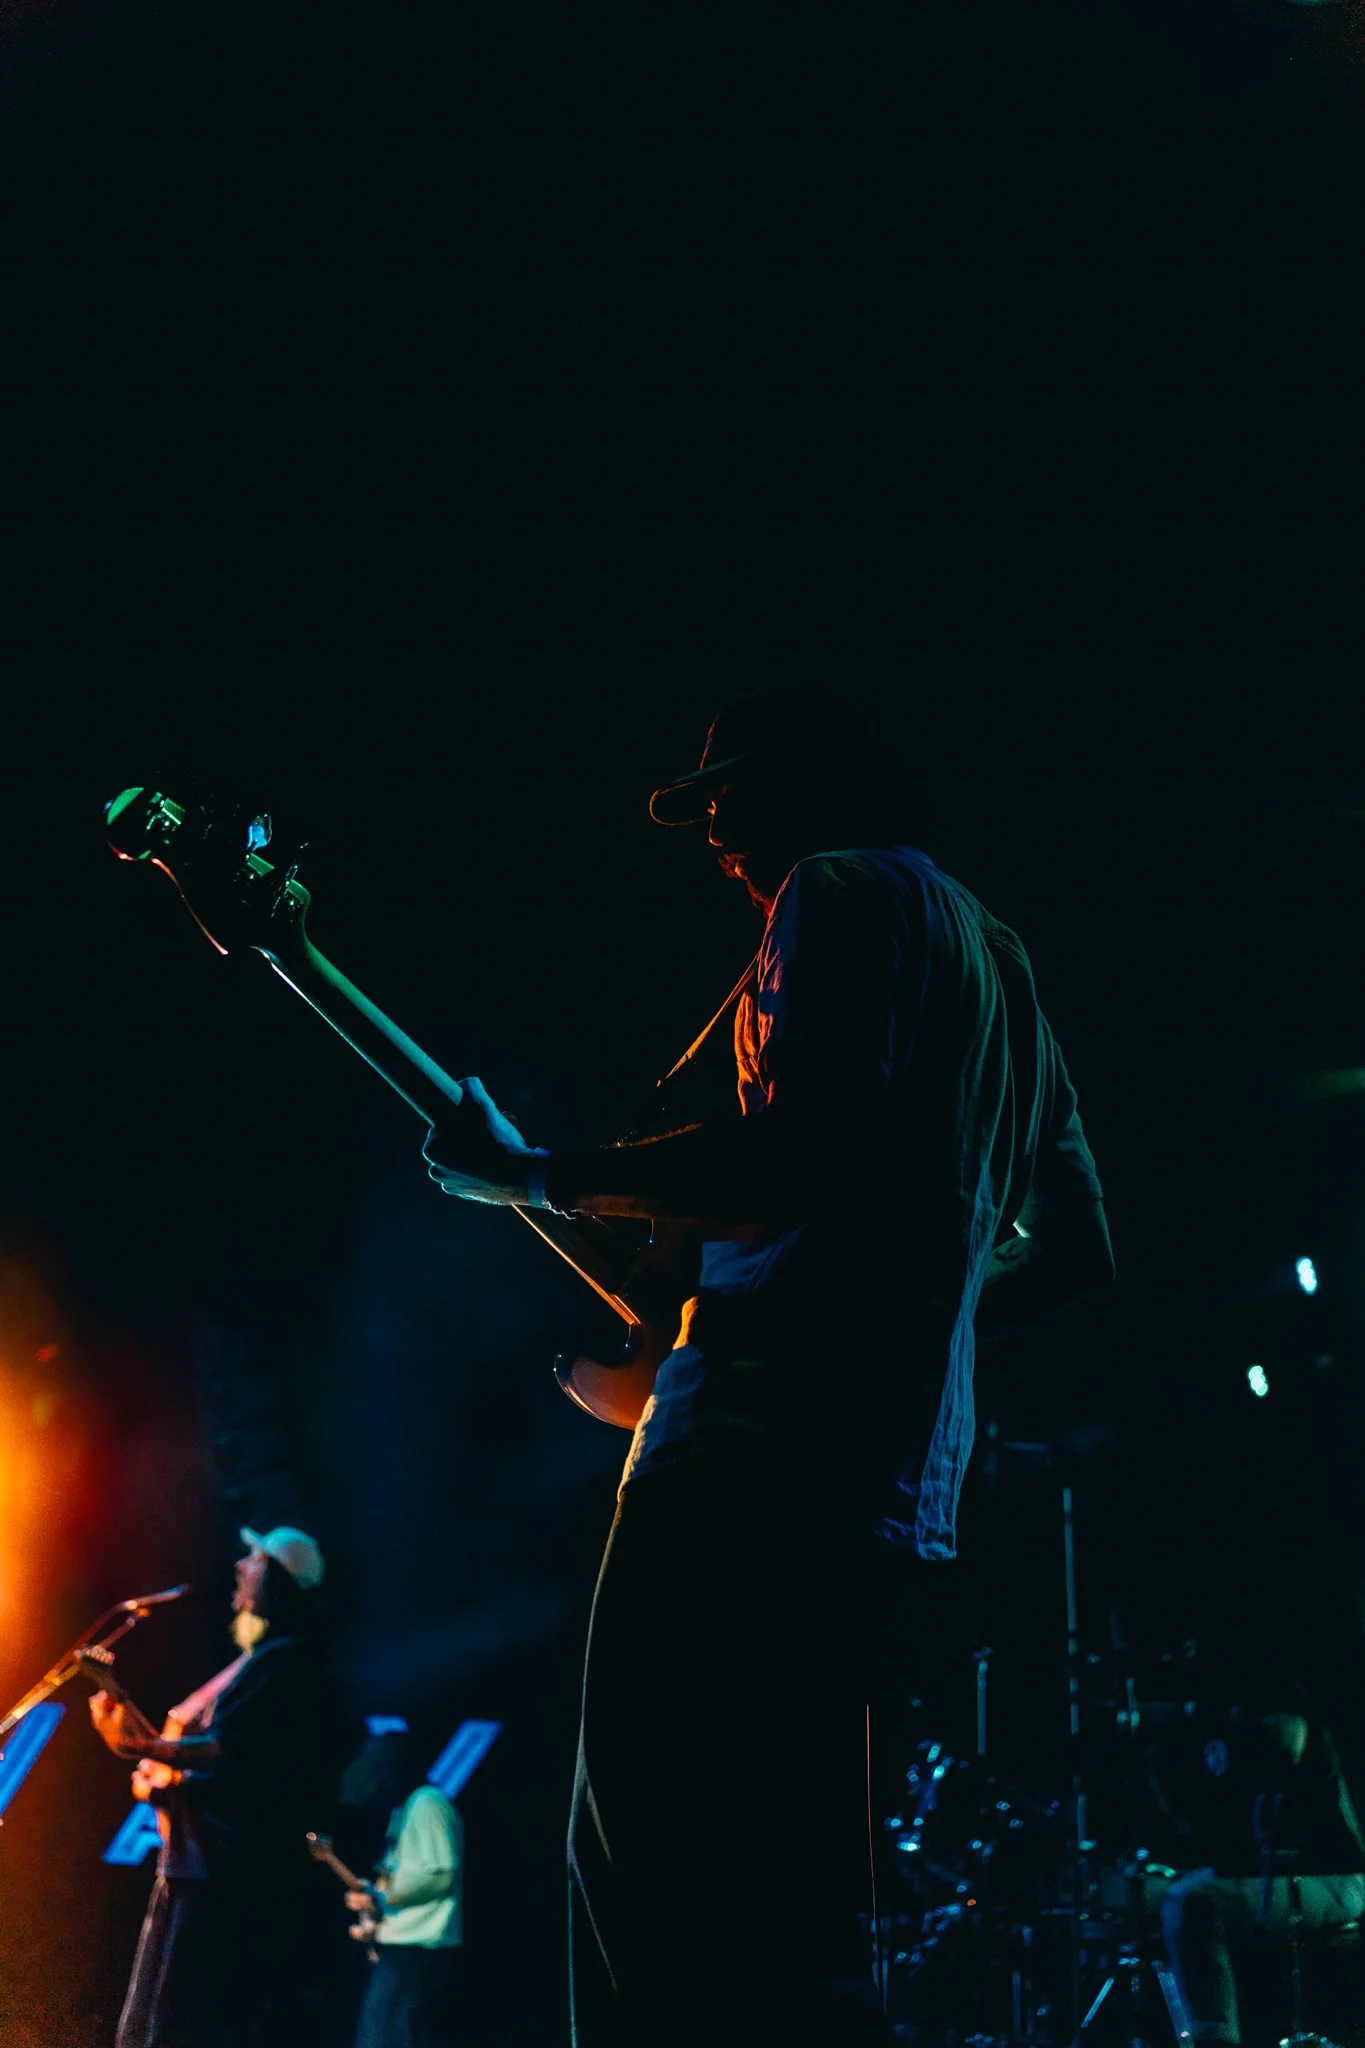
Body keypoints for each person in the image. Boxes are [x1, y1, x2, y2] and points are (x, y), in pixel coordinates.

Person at [423, 686, 1115, 2045]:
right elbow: (1079, 1250)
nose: (711, 830)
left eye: (728, 792)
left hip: (741, 1462)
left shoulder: (833, 889)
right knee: (795, 1905)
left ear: (817, 776)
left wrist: (534, 1174)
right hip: (891, 1494)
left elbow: (788, 1158)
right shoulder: (1002, 957)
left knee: (643, 1874)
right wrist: (910, 1305)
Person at [89, 1525, 344, 2048]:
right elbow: (193, 1755)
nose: (241, 1567)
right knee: (152, 2020)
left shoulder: (285, 1661)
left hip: (218, 1869)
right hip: (190, 1863)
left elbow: (226, 1752)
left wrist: (140, 1747)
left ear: (278, 1580)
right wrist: (132, 1734)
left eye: (256, 1561)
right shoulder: (256, 1663)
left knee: (178, 2021)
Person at [1161, 1707, 1365, 2043]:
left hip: (1337, 1878)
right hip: (1279, 1873)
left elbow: (1289, 1737)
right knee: (1159, 1893)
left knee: (1191, 1901)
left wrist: (1234, 1740)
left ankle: (1216, 2041)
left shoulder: (1281, 1697)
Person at [338, 1727, 465, 2048]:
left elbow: (440, 1874)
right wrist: (374, 1894)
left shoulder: (427, 1803)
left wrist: (383, 1897)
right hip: (404, 1950)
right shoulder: (408, 1808)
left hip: (417, 1951)